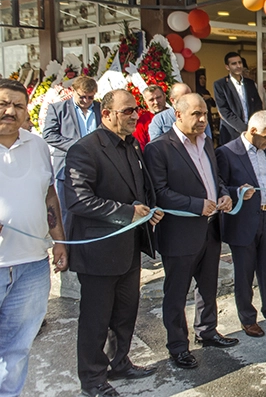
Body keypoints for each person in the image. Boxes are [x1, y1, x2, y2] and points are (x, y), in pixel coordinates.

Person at [65, 89, 162, 397]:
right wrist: (127, 213)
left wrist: (150, 210)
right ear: (106, 114)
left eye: (136, 110)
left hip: (129, 247)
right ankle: (93, 380)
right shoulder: (84, 150)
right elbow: (78, 200)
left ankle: (119, 363)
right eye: (127, 110)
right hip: (98, 251)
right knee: (96, 320)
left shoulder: (132, 144)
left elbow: (139, 190)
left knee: (125, 312)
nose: (135, 115)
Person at [143, 94, 237, 371]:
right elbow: (159, 192)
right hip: (179, 233)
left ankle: (207, 331)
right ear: (178, 114)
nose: (202, 119)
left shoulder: (206, 142)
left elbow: (215, 178)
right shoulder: (158, 148)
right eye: (196, 114)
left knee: (208, 287)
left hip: (210, 229)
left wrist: (224, 194)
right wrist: (197, 205)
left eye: (205, 114)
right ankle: (178, 347)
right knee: (176, 293)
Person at [0, 79, 67, 397]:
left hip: (32, 266)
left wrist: (60, 241)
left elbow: (49, 195)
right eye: (3, 104)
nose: (10, 111)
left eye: (18, 106)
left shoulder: (38, 145)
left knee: (17, 348)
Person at [216, 111, 266, 337]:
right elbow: (219, 185)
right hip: (242, 220)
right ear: (252, 131)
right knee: (244, 273)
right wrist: (237, 191)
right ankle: (247, 318)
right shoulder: (227, 152)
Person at [42, 75, 101, 231]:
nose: (86, 101)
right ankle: (66, 243)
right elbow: (49, 135)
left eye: (90, 97)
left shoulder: (100, 108)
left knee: (96, 209)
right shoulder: (58, 109)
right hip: (68, 168)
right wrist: (77, 146)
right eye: (82, 97)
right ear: (73, 91)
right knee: (66, 212)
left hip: (97, 166)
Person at [213, 52, 264, 145]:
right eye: (234, 64)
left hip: (252, 131)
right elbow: (224, 110)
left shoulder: (250, 83)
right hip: (231, 133)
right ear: (227, 67)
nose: (238, 66)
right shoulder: (220, 85)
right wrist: (243, 128)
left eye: (240, 62)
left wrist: (254, 126)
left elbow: (257, 105)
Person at [133, 85, 167, 151]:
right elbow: (140, 147)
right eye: (151, 100)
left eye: (158, 97)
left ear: (164, 96)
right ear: (145, 101)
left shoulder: (175, 114)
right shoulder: (142, 122)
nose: (156, 102)